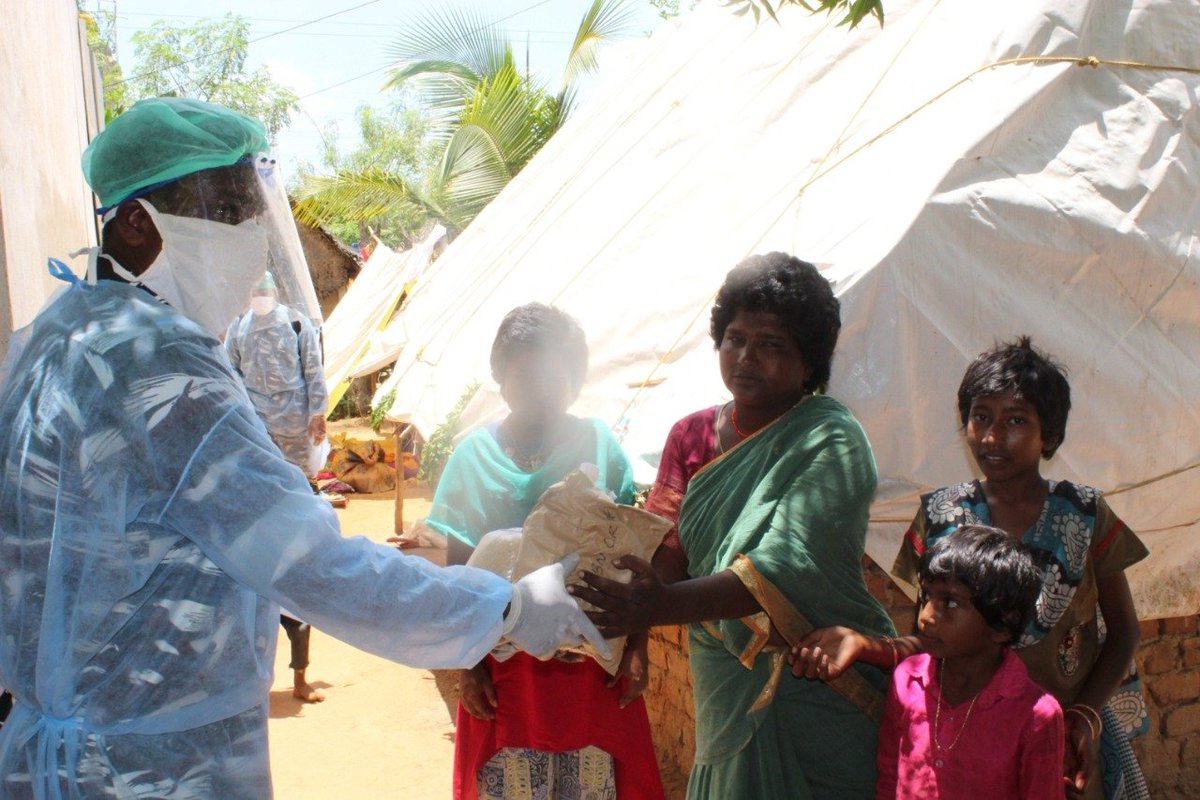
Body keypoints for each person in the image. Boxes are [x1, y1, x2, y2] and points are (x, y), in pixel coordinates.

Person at [0, 97, 607, 799]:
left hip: (61, 750)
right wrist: (507, 609)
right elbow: (311, 564)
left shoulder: (58, 331)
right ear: (138, 223)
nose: (251, 236)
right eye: (228, 211)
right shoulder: (161, 368)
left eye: (252, 211)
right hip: (148, 768)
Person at [574, 253, 897, 799]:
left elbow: (783, 567)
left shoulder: (831, 440)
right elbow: (666, 549)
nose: (746, 356)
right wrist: (635, 629)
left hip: (818, 685)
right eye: (735, 339)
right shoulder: (692, 436)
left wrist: (657, 606)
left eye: (771, 344)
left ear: (809, 361)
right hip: (724, 679)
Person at [792, 337, 1149, 800]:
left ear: (1050, 434)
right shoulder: (941, 515)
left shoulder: (1084, 514)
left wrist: (1084, 715)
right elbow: (929, 639)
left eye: (1016, 420)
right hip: (965, 746)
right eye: (981, 417)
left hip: (1059, 741)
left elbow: (1124, 632)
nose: (993, 437)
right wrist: (866, 646)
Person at [426, 303, 664, 800]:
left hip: (590, 663)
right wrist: (468, 667)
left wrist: (637, 648)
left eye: (556, 376)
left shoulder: (598, 445)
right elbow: (458, 577)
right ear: (501, 378)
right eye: (526, 375)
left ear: (575, 380)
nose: (542, 390)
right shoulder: (473, 458)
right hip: (504, 666)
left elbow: (630, 557)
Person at [875, 525, 1063, 799]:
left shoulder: (1036, 715)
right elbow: (889, 776)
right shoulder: (907, 681)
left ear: (1002, 624)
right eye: (927, 596)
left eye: (950, 603)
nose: (926, 616)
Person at [225, 269, 330, 703]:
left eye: (266, 289)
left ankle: (300, 677)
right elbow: (229, 375)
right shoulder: (237, 328)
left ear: (275, 291)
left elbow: (313, 370)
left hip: (295, 429)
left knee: (295, 512)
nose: (261, 295)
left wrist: (318, 413)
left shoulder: (297, 324)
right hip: (257, 432)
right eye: (255, 289)